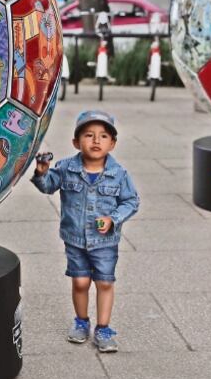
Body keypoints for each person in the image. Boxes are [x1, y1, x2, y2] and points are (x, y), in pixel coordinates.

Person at [31, 110, 139, 352]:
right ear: (76, 142)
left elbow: (131, 201)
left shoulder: (119, 174)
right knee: (80, 282)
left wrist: (113, 219)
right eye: (89, 135)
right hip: (75, 239)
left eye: (103, 136)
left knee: (104, 282)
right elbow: (48, 187)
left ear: (112, 143)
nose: (96, 140)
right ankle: (81, 321)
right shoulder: (66, 168)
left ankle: (103, 328)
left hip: (105, 242)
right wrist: (42, 171)